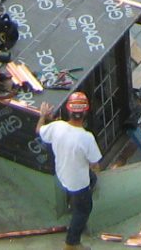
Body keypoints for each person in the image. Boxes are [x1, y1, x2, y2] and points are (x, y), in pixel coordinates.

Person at [36, 91, 102, 250]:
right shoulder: (87, 138)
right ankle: (71, 244)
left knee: (87, 185)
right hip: (78, 183)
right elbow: (95, 164)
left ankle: (73, 204)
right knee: (84, 210)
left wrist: (43, 115)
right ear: (85, 112)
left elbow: (39, 130)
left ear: (68, 110)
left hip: (62, 175)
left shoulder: (56, 126)